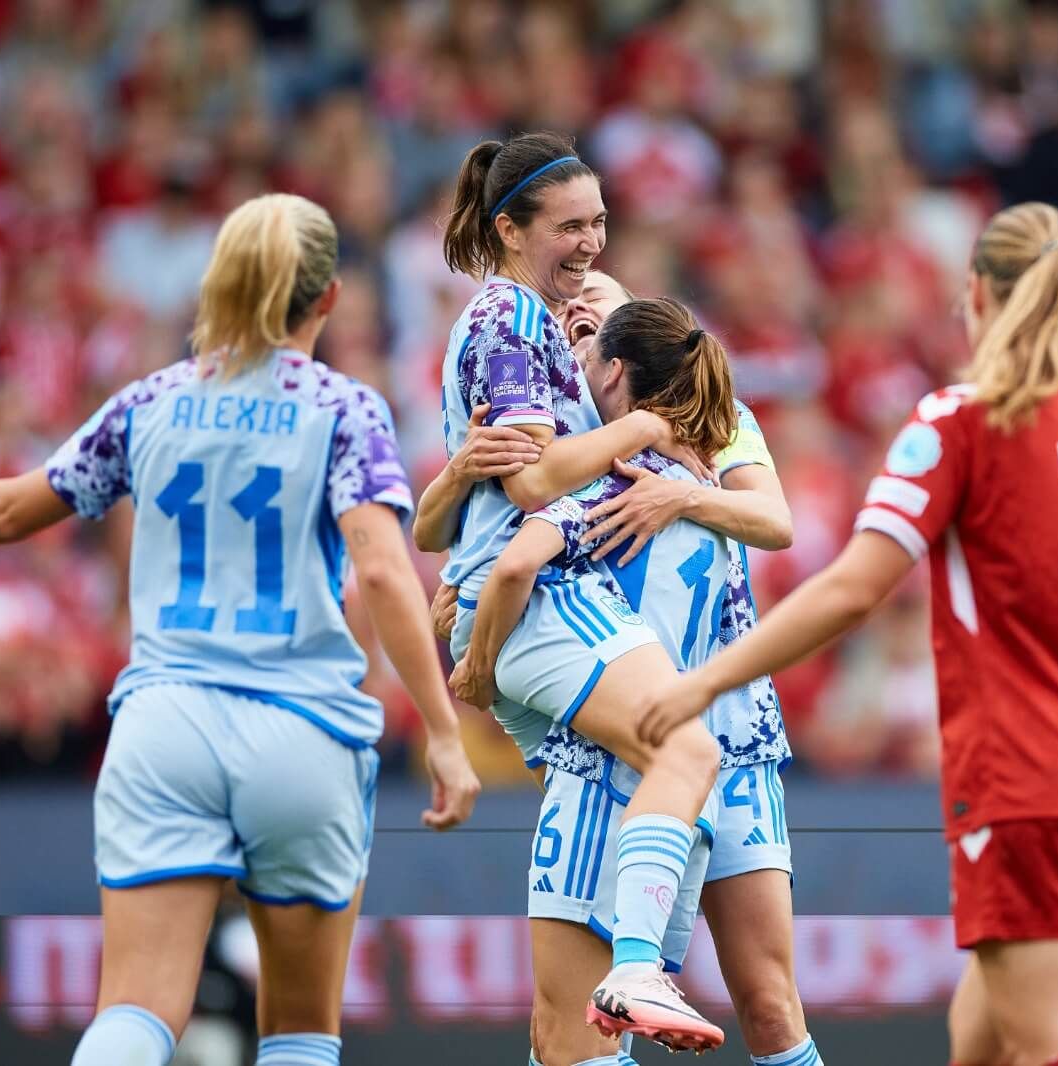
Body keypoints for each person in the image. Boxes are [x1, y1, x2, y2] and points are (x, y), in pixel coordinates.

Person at [634, 203, 1058, 1066]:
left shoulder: (959, 423)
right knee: (985, 1040)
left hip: (1025, 782)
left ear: (974, 293)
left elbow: (856, 588)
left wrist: (705, 682)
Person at [0, 193, 482, 1066]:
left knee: (137, 1011)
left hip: (165, 726)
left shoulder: (150, 402)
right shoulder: (346, 409)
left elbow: (5, 511)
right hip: (301, 730)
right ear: (327, 298)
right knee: (300, 1029)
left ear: (217, 284)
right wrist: (445, 736)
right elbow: (379, 569)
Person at [436, 131, 728, 1052]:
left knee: (566, 1029)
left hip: (539, 600)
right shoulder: (508, 321)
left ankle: (622, 981)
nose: (593, 242)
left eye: (601, 221)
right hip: (544, 598)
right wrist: (648, 418)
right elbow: (532, 485)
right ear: (509, 229)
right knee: (685, 749)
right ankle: (640, 967)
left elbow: (466, 505)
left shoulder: (535, 328)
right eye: (569, 225)